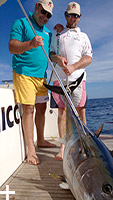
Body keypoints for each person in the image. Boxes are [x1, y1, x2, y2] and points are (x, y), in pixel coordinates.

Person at [9, 0, 56, 165]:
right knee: (29, 109)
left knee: (42, 109)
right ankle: (31, 150)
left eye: (49, 15)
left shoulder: (48, 33)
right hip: (24, 73)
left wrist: (59, 58)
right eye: (43, 12)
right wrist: (30, 44)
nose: (45, 17)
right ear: (37, 7)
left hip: (41, 77)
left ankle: (41, 140)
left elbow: (50, 54)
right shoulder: (21, 23)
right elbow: (12, 47)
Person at [50, 2, 93, 160]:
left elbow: (88, 58)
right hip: (59, 79)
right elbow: (51, 53)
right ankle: (63, 147)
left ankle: (84, 143)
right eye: (69, 15)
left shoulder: (84, 37)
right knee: (61, 113)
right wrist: (58, 59)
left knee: (81, 110)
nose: (72, 18)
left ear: (80, 17)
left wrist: (74, 67)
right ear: (65, 16)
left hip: (78, 79)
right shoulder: (58, 34)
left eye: (75, 15)